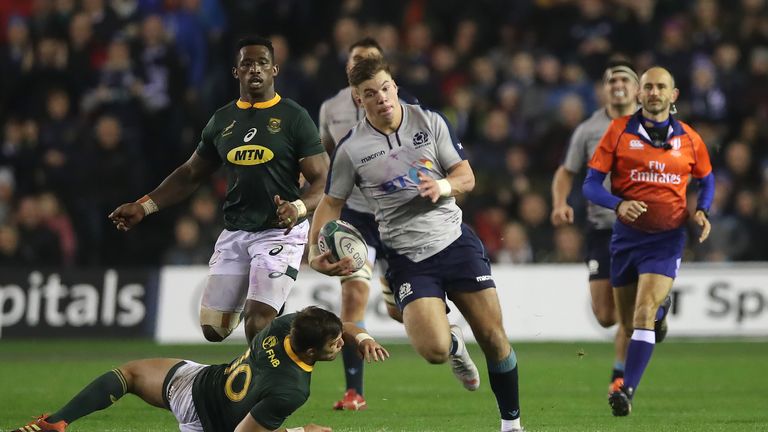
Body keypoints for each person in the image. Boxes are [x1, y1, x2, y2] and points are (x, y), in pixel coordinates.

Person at [310, 57, 524, 432]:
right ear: (359, 101)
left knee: (493, 337)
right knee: (435, 351)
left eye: (386, 88)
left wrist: (442, 186)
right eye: (370, 94)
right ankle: (456, 346)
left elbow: (466, 176)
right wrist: (314, 252)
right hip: (407, 258)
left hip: (455, 242)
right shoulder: (352, 148)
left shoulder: (430, 121)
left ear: (395, 86)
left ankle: (512, 425)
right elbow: (330, 203)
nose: (382, 98)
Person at [109, 36, 329, 344]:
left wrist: (298, 208)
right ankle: (294, 322)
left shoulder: (294, 117)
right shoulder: (223, 120)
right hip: (237, 231)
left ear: (275, 70)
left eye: (262, 63)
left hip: (280, 232)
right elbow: (189, 173)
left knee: (256, 321)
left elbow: (321, 180)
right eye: (247, 64)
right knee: (214, 330)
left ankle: (266, 382)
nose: (255, 69)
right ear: (235, 72)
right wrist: (144, 206)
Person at [11, 306, 389, 432]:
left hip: (197, 381)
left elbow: (341, 325)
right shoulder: (293, 389)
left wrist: (362, 337)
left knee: (127, 375)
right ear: (310, 349)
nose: (343, 346)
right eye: (336, 344)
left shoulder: (281, 327)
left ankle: (57, 423)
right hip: (209, 420)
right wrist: (302, 431)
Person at [583, 66, 714, 416]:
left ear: (673, 96)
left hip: (666, 239)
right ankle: (660, 315)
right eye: (649, 87)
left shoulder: (690, 139)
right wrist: (619, 203)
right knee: (626, 325)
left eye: (661, 87)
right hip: (625, 240)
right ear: (640, 95)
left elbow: (707, 179)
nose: (654, 92)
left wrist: (702, 211)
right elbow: (590, 185)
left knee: (641, 314)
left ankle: (627, 389)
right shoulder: (617, 132)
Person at [317, 36, 406, 412]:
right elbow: (322, 156)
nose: (361, 64)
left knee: (398, 312)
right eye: (356, 60)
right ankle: (355, 391)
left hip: (398, 217)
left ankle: (391, 288)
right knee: (352, 297)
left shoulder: (403, 108)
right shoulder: (331, 108)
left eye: (370, 61)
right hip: (355, 218)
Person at [550, 60, 641, 394]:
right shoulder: (589, 130)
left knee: (631, 311)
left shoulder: (653, 125)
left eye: (624, 80)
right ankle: (649, 312)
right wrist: (560, 203)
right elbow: (566, 171)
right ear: (604, 89)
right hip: (602, 228)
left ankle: (619, 374)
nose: (617, 85)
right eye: (611, 80)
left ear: (636, 89)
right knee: (605, 314)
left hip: (642, 227)